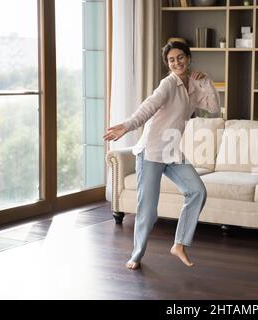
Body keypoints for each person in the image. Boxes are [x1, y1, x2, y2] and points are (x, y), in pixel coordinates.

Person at [103, 41, 220, 270]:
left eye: (180, 57)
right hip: (152, 151)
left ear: (188, 58)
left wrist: (206, 82)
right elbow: (148, 107)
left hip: (172, 151)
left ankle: (179, 244)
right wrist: (127, 126)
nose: (176, 62)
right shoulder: (167, 84)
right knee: (148, 209)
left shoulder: (195, 85)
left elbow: (214, 108)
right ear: (168, 63)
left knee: (197, 191)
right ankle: (136, 255)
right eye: (171, 60)